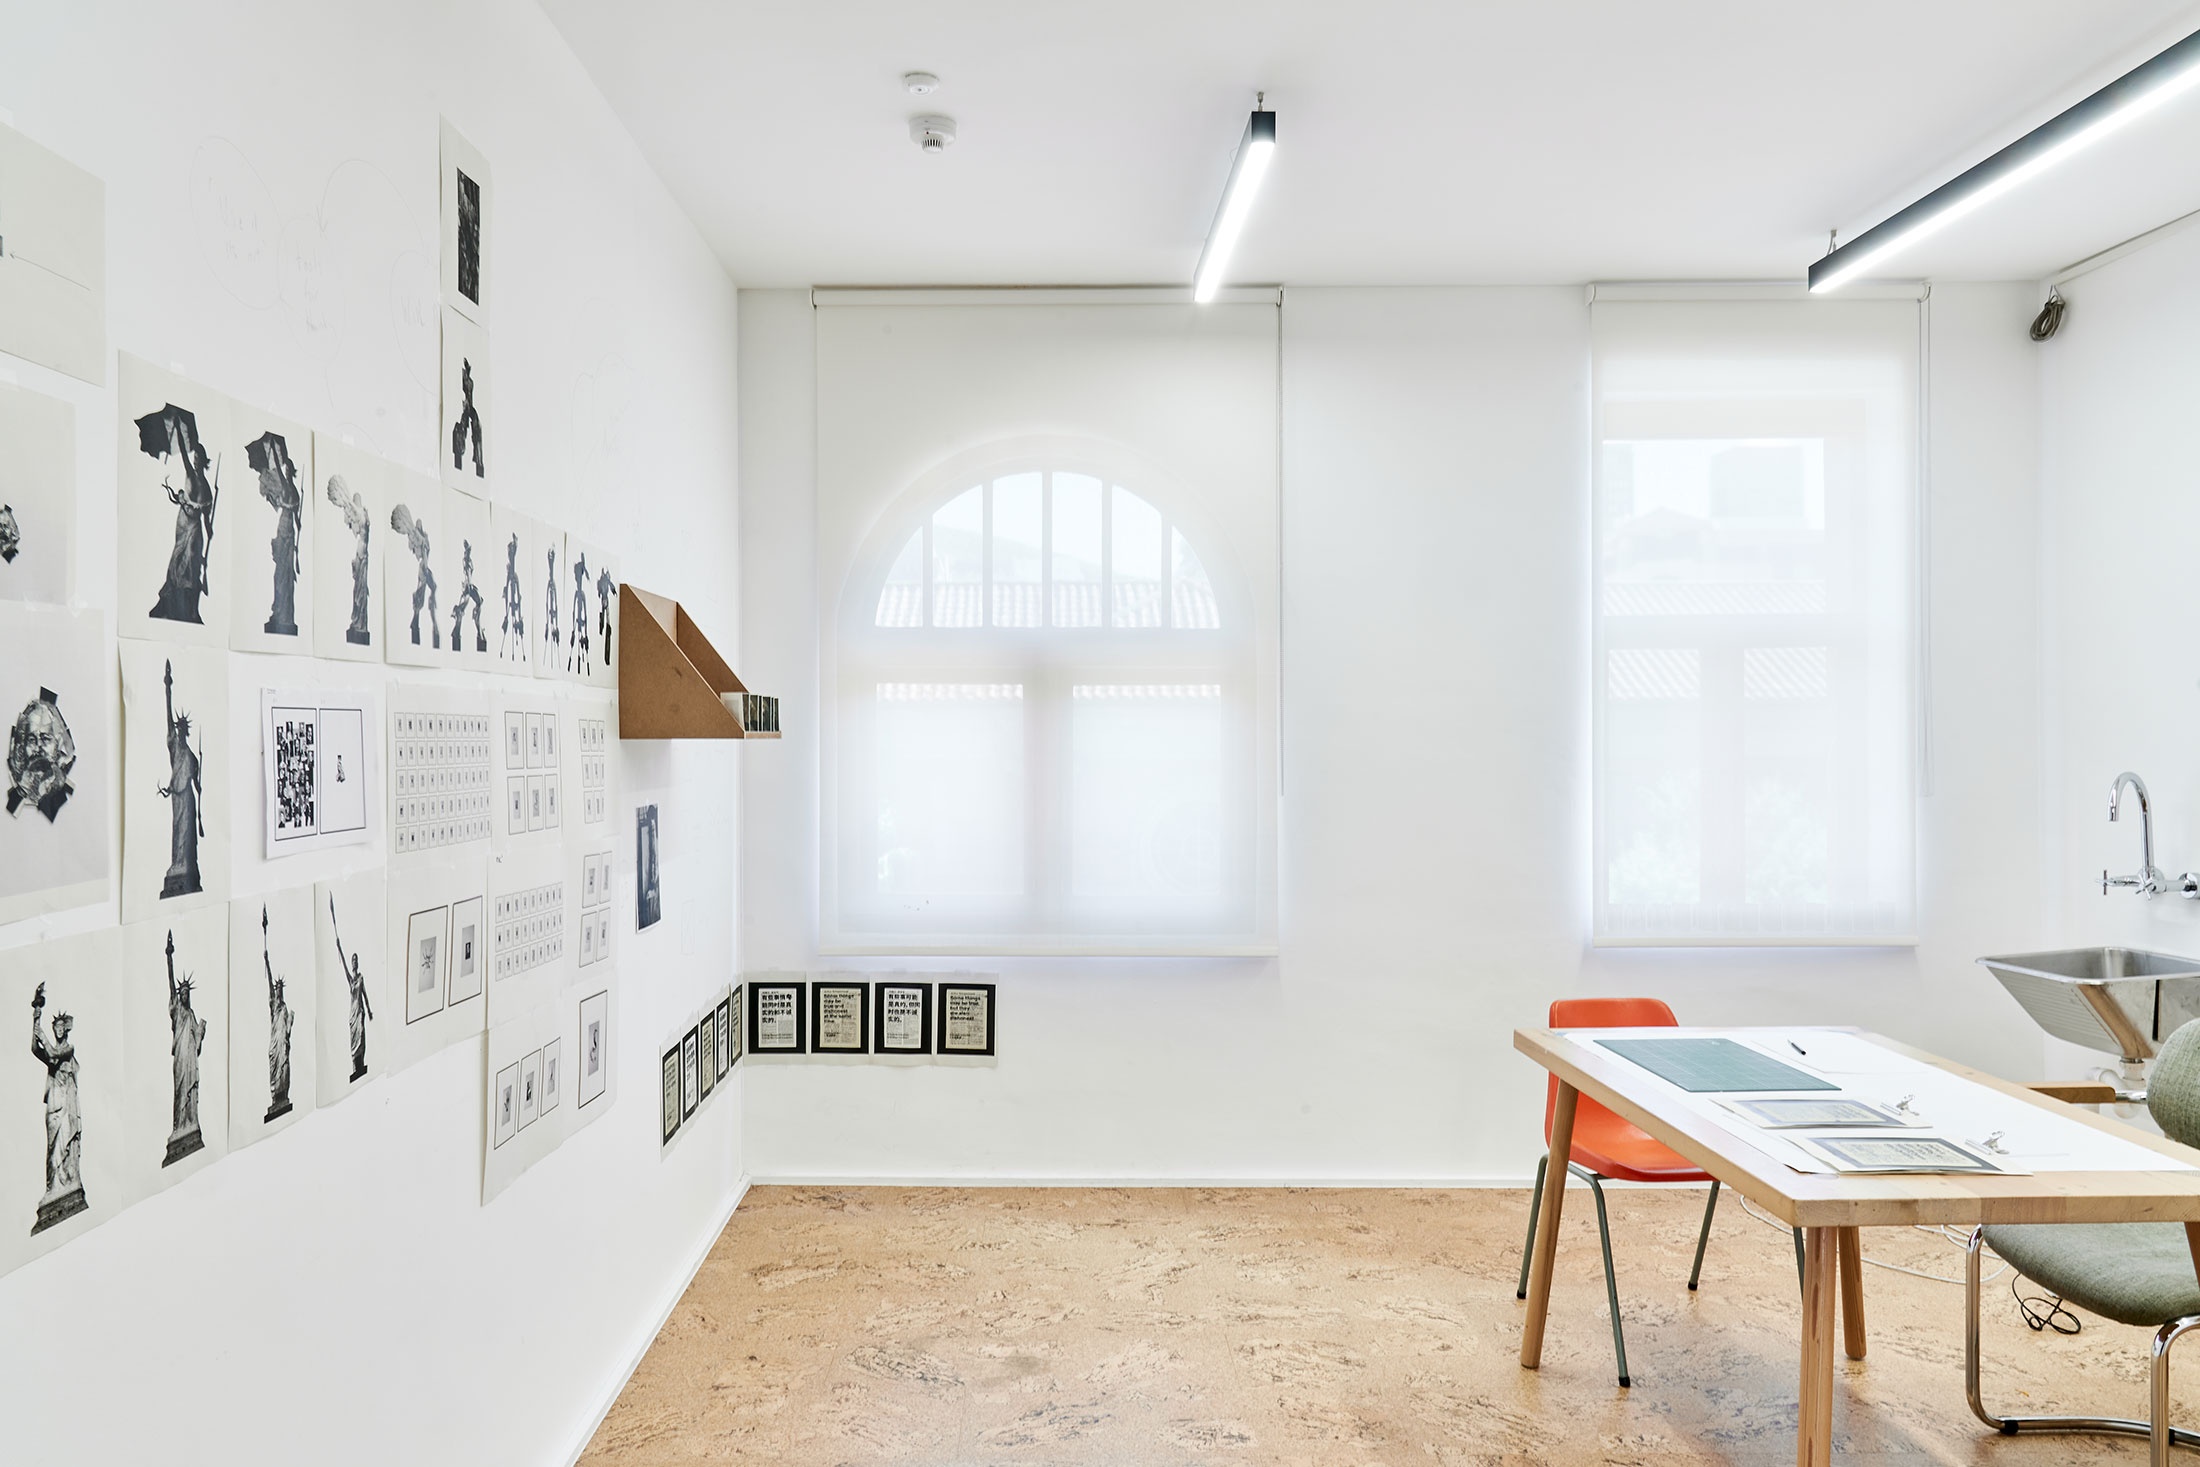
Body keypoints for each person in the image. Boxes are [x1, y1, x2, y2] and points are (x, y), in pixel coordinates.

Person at [137, 404, 219, 625]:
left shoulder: (205, 486)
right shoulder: (193, 476)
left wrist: (209, 528)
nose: (194, 460)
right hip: (183, 525)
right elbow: (183, 452)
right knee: (177, 561)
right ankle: (176, 605)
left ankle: (189, 608)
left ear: (204, 460)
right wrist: (178, 431)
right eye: (194, 458)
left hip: (194, 529)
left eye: (198, 458)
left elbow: (206, 518)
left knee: (191, 565)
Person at [30, 981, 84, 1231]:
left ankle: (68, 1181)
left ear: (67, 1029)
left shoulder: (68, 1049)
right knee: (53, 1147)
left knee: (65, 1143)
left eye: (62, 1026)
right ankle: (54, 1186)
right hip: (53, 1103)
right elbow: (35, 1049)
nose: (59, 1029)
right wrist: (36, 1020)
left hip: (67, 1103)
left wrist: (41, 1033)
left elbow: (51, 1053)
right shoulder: (53, 1051)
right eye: (56, 1026)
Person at [156, 659, 204, 898]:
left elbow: (197, 785)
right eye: (180, 729)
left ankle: (185, 864)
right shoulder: (175, 747)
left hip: (188, 798)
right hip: (177, 797)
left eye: (184, 730)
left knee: (187, 834)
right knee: (178, 832)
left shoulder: (192, 756)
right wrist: (168, 689)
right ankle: (177, 863)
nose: (181, 732)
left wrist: (200, 786)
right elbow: (167, 719)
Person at [249, 431, 302, 636]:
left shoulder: (290, 490)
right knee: (280, 576)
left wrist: (274, 454)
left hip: (286, 535)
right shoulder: (291, 492)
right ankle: (280, 611)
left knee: (282, 576)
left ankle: (282, 613)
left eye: (287, 471)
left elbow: (280, 473)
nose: (284, 474)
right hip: (283, 533)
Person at [163, 930, 207, 1164]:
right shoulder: (177, 1011)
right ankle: (180, 1125)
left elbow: (197, 1042)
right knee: (181, 1091)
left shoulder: (190, 1013)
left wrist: (201, 1030)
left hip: (191, 1055)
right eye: (182, 992)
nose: (184, 995)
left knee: (192, 1089)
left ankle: (190, 1121)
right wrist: (169, 957)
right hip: (180, 1057)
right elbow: (170, 985)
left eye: (187, 992)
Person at [326, 473, 373, 645]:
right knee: (358, 591)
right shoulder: (364, 519)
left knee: (360, 592)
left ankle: (359, 622)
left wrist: (346, 501)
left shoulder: (361, 516)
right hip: (361, 556)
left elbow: (351, 513)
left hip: (362, 556)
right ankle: (359, 621)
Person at [331, 894, 373, 1081]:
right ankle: (355, 1066)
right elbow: (344, 969)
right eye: (352, 960)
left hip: (360, 1011)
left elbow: (364, 995)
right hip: (353, 1013)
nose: (354, 962)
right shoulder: (351, 979)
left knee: (361, 1037)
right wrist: (339, 948)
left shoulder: (360, 978)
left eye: (356, 960)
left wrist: (370, 1011)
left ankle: (361, 1064)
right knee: (354, 1039)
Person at [263, 905, 293, 1122]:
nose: (279, 992)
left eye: (281, 990)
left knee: (284, 1069)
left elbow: (288, 1028)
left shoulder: (284, 1008)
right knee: (276, 1068)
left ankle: (283, 1096)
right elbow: (270, 983)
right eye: (278, 989)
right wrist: (267, 961)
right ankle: (276, 1098)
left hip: (283, 1043)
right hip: (276, 1043)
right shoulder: (274, 1004)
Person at [449, 539, 487, 653]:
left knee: (479, 602)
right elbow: (468, 573)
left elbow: (470, 572)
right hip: (468, 586)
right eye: (468, 549)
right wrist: (468, 586)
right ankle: (458, 632)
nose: (469, 551)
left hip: (470, 585)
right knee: (463, 608)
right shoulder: (466, 560)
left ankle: (478, 631)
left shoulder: (468, 560)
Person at [449, 357, 484, 478]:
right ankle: (462, 460)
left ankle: (477, 462)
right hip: (467, 406)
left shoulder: (469, 380)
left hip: (469, 407)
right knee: (461, 431)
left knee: (476, 433)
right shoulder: (465, 379)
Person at [499, 532, 526, 663]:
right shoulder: (511, 575)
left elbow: (517, 595)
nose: (510, 554)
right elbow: (506, 591)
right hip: (512, 601)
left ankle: (519, 642)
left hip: (515, 601)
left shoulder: (514, 576)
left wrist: (518, 613)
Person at [568, 552, 592, 675]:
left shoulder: (581, 595)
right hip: (578, 621)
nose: (578, 579)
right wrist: (573, 628)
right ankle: (574, 660)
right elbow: (573, 611)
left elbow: (586, 613)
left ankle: (584, 664)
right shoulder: (578, 595)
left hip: (581, 621)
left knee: (582, 640)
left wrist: (585, 630)